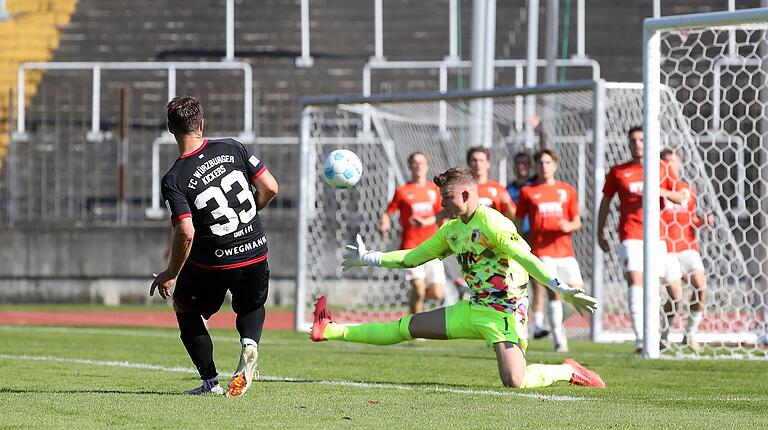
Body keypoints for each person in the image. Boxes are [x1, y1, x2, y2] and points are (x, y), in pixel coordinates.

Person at [311, 167, 604, 389]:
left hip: (505, 313)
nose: (441, 206)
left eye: (446, 198)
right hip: (472, 309)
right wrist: (369, 258)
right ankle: (330, 330)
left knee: (515, 381)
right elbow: (412, 258)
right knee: (407, 327)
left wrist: (560, 288)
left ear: (466, 195)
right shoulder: (451, 230)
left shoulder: (493, 223)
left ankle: (568, 370)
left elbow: (526, 257)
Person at [149, 96, 278, 397]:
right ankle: (249, 344)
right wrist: (249, 216)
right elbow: (271, 187)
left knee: (185, 308)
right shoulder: (233, 147)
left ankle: (210, 383)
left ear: (171, 129)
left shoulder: (175, 178)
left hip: (216, 261)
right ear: (202, 124)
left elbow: (186, 230)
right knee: (252, 305)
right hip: (256, 248)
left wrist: (170, 271)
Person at [597, 125, 683, 353]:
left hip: (657, 237)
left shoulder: (662, 169)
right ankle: (640, 340)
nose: (637, 144)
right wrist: (600, 231)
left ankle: (659, 335)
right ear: (628, 143)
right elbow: (605, 202)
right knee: (636, 280)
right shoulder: (618, 171)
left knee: (666, 290)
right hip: (630, 234)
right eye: (633, 140)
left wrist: (661, 192)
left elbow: (680, 195)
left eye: (642, 140)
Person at [515, 149, 583, 353]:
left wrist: (567, 226)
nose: (544, 166)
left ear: (555, 165)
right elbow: (518, 222)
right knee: (554, 292)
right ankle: (559, 340)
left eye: (548, 162)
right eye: (541, 163)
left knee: (578, 293)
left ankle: (555, 325)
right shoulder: (528, 192)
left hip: (565, 251)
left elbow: (577, 222)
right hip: (542, 250)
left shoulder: (567, 190)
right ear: (536, 167)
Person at [659, 148, 713, 352]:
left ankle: (690, 334)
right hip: (667, 248)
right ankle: (663, 336)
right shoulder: (655, 190)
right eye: (665, 161)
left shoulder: (687, 190)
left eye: (673, 161)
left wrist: (703, 222)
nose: (669, 164)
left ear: (680, 165)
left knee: (701, 288)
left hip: (688, 246)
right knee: (676, 297)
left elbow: (691, 220)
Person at [379, 152, 446, 314]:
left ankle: (418, 303)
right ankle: (415, 327)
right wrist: (385, 223)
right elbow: (388, 212)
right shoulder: (402, 191)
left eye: (421, 163)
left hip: (433, 247)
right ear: (409, 166)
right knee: (418, 288)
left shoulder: (434, 190)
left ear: (427, 165)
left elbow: (442, 215)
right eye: (414, 163)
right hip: (411, 247)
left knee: (437, 294)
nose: (418, 166)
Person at [466, 147, 516, 220]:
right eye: (474, 160)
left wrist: (507, 204)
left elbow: (513, 216)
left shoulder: (498, 188)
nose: (478, 164)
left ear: (488, 163)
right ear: (468, 163)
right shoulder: (464, 188)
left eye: (481, 160)